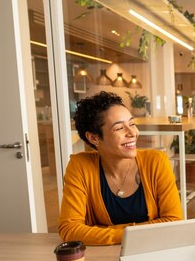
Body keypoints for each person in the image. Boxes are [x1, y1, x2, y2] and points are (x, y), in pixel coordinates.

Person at [58, 91, 182, 245]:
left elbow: (173, 222)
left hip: (153, 252)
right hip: (102, 260)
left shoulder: (156, 161)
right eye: (119, 128)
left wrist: (102, 230)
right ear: (94, 138)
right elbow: (69, 230)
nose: (133, 133)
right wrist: (135, 233)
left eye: (132, 124)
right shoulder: (80, 166)